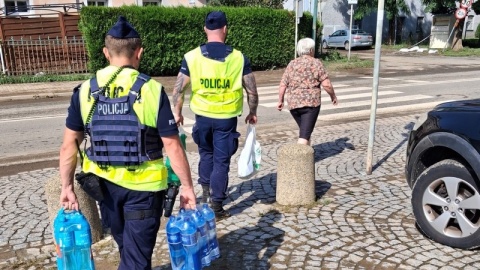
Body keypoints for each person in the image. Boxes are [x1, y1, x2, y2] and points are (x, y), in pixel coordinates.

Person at [59, 16, 197, 270]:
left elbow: (69, 145)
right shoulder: (152, 90)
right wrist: (187, 187)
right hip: (144, 190)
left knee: (128, 250)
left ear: (105, 53)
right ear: (139, 52)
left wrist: (66, 186)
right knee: (134, 259)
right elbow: (172, 144)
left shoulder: (85, 91)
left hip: (105, 189)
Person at [171, 10, 259, 219]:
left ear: (205, 29)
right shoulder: (238, 57)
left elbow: (178, 89)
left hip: (202, 116)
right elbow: (252, 91)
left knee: (206, 155)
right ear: (225, 29)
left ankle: (205, 194)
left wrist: (178, 112)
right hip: (226, 118)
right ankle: (217, 206)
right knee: (221, 160)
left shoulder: (191, 57)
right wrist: (252, 112)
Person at [277, 37, 338, 146]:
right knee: (304, 135)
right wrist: (333, 96)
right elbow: (326, 84)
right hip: (310, 105)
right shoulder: (316, 63)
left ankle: (308, 158)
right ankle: (298, 161)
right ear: (311, 50)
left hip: (293, 105)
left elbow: (283, 84)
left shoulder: (292, 64)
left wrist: (280, 101)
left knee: (305, 131)